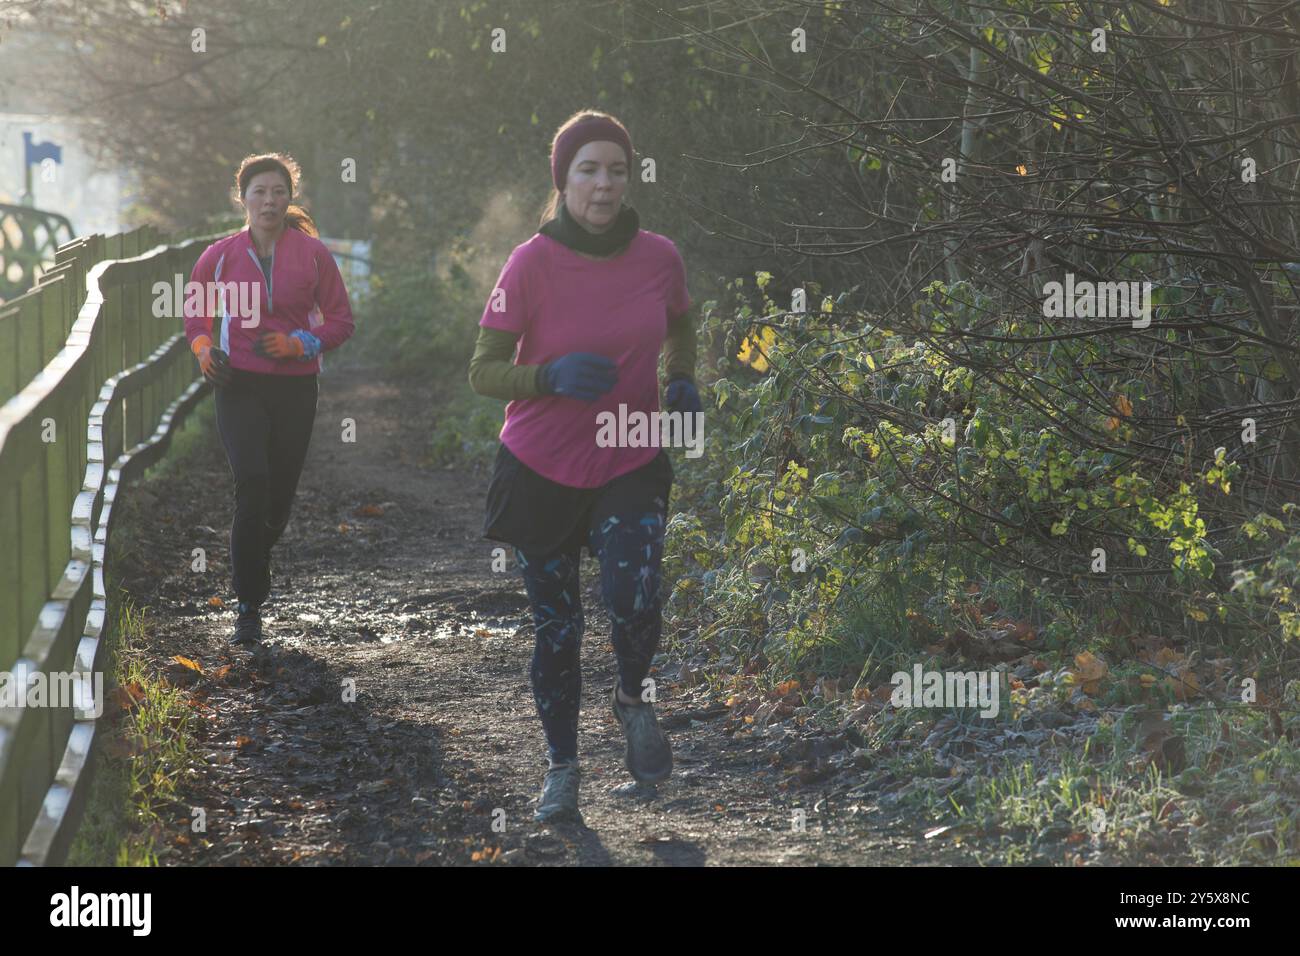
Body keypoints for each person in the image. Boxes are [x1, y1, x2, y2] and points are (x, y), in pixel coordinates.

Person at [468, 110, 703, 824]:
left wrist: (682, 379)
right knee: (558, 627)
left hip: (630, 449)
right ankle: (562, 770)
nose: (604, 185)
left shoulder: (659, 256)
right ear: (563, 181)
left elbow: (681, 323)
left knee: (635, 593)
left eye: (617, 170)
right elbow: (482, 371)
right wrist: (546, 376)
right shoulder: (530, 262)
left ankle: (632, 696)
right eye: (589, 171)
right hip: (540, 464)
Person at [184, 153, 355, 646]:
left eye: (278, 191)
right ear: (243, 198)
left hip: (296, 387)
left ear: (289, 197)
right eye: (259, 191)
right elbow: (195, 316)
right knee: (251, 483)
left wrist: (300, 342)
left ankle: (258, 554)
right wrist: (202, 351)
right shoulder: (219, 256)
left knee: (277, 500)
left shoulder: (313, 255)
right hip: (237, 384)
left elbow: (342, 321)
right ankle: (247, 607)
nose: (269, 200)